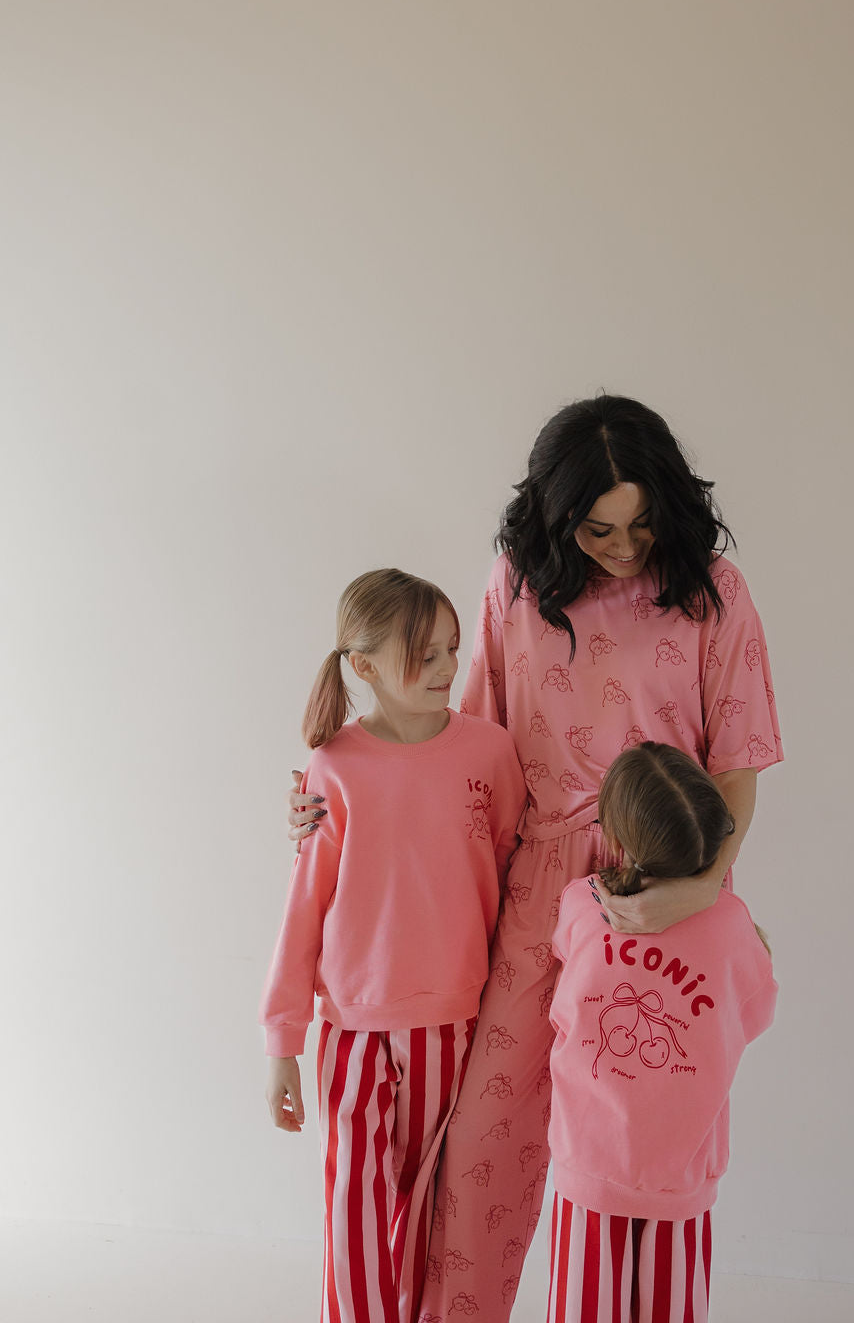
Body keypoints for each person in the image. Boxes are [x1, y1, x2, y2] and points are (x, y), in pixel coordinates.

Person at [289, 396, 783, 1323]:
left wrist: (699, 889)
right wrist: (340, 794)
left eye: (642, 524)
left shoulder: (714, 591)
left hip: (665, 879)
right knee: (484, 1144)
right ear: (557, 518)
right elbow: (459, 748)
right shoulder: (515, 584)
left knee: (637, 1158)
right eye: (599, 529)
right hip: (539, 882)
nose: (624, 547)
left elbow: (735, 769)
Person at [260, 569, 527, 1323]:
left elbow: (513, 869)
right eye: (424, 654)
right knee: (354, 1208)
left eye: (452, 648)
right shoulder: (334, 766)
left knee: (422, 1209)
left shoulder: (490, 753)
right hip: (353, 1026)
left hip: (452, 1022)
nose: (447, 668)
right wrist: (283, 1042)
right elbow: (304, 907)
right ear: (365, 666)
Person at [546, 742, 777, 1323]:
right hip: (682, 1171)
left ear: (616, 838)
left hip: (590, 1165)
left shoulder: (581, 906)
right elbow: (754, 1014)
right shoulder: (731, 924)